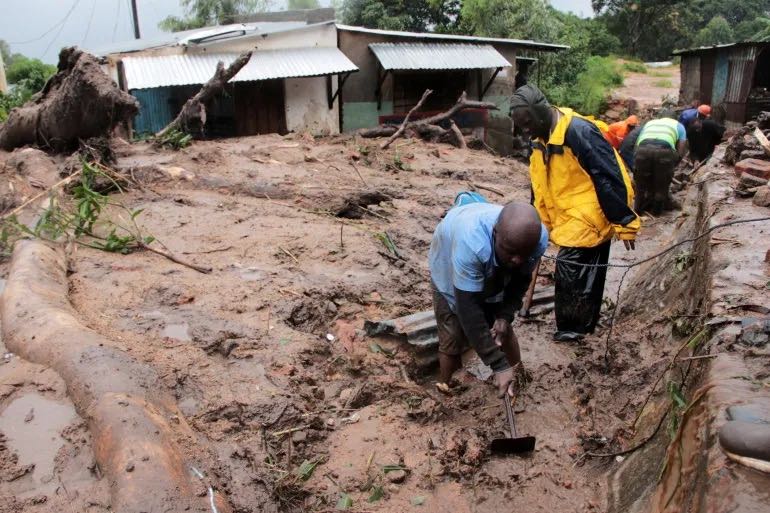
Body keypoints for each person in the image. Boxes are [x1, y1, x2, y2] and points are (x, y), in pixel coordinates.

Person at [509, 84, 640, 342]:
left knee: (570, 266)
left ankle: (572, 330)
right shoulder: (539, 138)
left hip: (591, 212)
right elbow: (538, 182)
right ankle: (584, 324)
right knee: (587, 274)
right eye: (520, 126)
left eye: (527, 123)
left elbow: (609, 176)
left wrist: (624, 221)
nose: (525, 131)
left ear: (542, 111)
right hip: (566, 213)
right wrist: (539, 221)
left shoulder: (578, 131)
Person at [429, 199, 548, 397]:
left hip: (490, 254)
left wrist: (504, 316)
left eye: (523, 254)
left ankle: (517, 378)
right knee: (453, 332)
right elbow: (468, 310)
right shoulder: (471, 245)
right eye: (511, 252)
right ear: (495, 233)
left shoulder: (536, 240)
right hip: (449, 256)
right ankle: (448, 388)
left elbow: (521, 280)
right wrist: (498, 365)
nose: (517, 260)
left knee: (502, 329)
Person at [634, 117, 687, 215]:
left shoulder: (650, 123)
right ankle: (656, 213)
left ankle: (637, 212)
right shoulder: (680, 126)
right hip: (664, 151)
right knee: (661, 186)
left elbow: (637, 144)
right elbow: (681, 150)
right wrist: (672, 166)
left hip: (642, 150)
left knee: (640, 186)